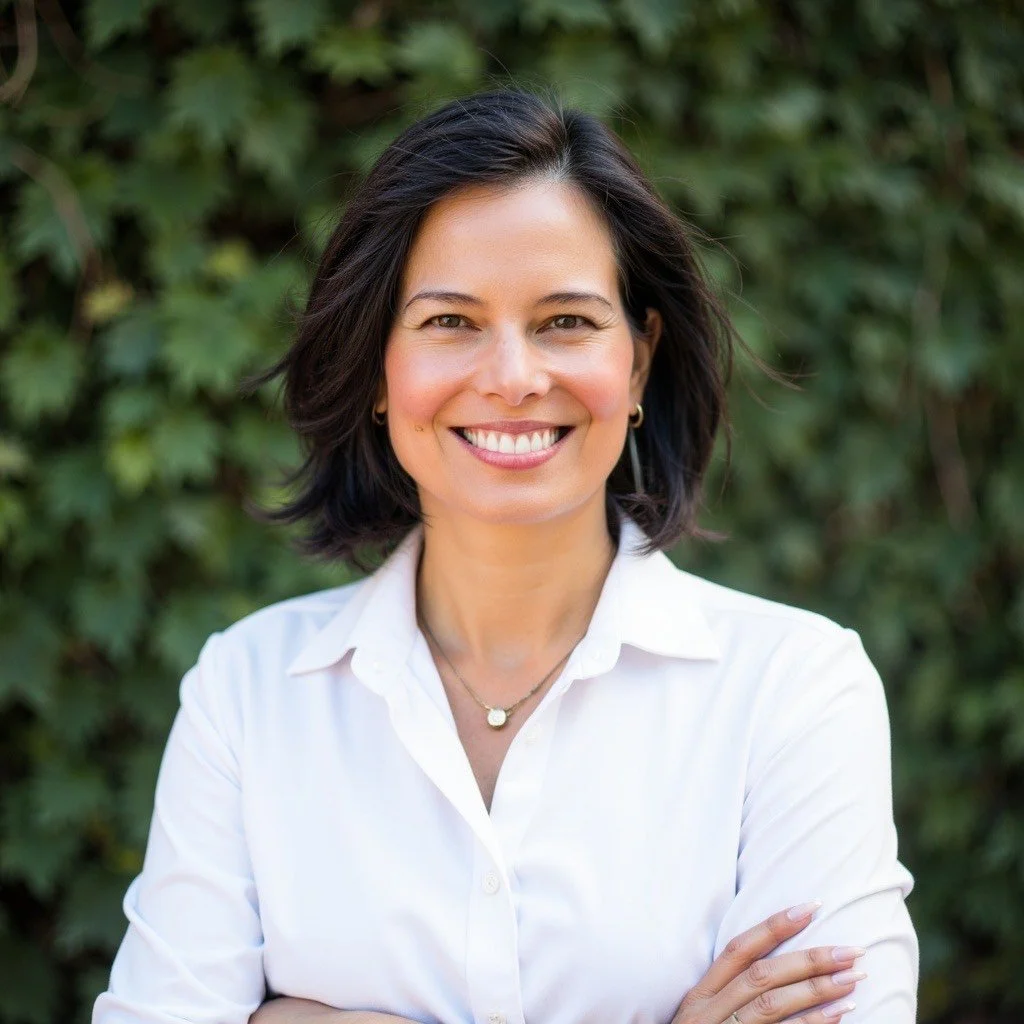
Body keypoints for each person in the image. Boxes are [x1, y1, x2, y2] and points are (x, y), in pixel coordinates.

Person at [93, 89, 918, 1024]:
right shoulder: (246, 693)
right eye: (450, 322)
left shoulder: (794, 690)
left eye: (566, 322)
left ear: (639, 362)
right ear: (377, 367)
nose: (514, 378)